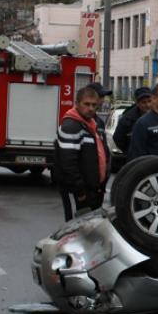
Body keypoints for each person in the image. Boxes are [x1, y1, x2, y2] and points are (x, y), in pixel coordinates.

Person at [54, 86, 110, 221]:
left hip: (93, 189)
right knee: (76, 230)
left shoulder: (92, 124)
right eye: (86, 104)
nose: (90, 108)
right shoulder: (71, 126)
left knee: (90, 229)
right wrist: (80, 191)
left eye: (94, 105)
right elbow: (68, 163)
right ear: (77, 103)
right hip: (80, 192)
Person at [112, 86, 153, 158]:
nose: (148, 105)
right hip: (136, 161)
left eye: (149, 101)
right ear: (137, 103)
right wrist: (131, 151)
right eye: (144, 102)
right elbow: (118, 138)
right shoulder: (127, 119)